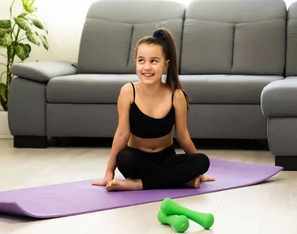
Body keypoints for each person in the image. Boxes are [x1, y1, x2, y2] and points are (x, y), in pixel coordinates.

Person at [92, 28, 214, 191]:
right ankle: (179, 180)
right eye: (141, 60)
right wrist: (109, 172)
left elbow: (183, 135)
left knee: (202, 161)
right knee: (124, 158)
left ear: (165, 65)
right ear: (135, 62)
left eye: (154, 61)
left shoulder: (176, 95)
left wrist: (199, 170)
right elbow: (121, 134)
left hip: (166, 158)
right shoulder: (128, 92)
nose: (147, 67)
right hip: (137, 158)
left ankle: (138, 184)